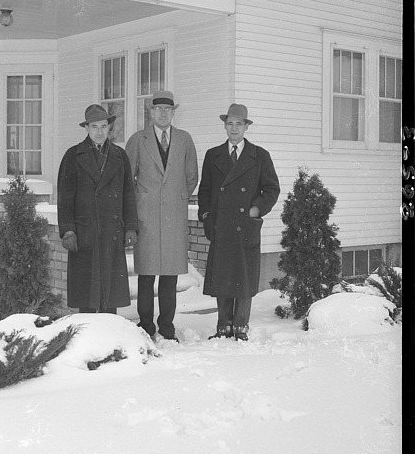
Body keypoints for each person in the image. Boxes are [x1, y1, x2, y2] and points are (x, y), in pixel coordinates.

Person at [198, 103, 280, 341]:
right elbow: (204, 191)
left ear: (246, 127)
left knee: (244, 277)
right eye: (230, 123)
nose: (234, 128)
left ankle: (241, 326)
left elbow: (272, 189)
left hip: (246, 225)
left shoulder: (259, 155)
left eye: (239, 124)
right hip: (221, 225)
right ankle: (223, 325)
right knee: (223, 276)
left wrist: (256, 209)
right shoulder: (213, 155)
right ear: (225, 126)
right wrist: (206, 215)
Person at [125, 90, 198, 341]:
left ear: (173, 112)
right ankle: (145, 326)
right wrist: (144, 200)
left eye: (168, 109)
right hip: (146, 215)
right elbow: (128, 178)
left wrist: (174, 198)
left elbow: (191, 177)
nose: (163, 113)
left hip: (173, 216)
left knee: (169, 276)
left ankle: (167, 326)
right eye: (158, 109)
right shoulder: (138, 140)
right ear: (151, 112)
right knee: (146, 275)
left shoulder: (185, 140)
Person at [57, 104, 138, 313]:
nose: (100, 132)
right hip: (85, 233)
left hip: (112, 231)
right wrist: (68, 230)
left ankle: (109, 339)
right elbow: (65, 198)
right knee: (87, 295)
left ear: (109, 127)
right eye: (95, 127)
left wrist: (130, 227)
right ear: (87, 128)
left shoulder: (120, 156)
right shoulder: (73, 156)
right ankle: (89, 339)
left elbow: (129, 194)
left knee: (110, 297)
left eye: (104, 126)